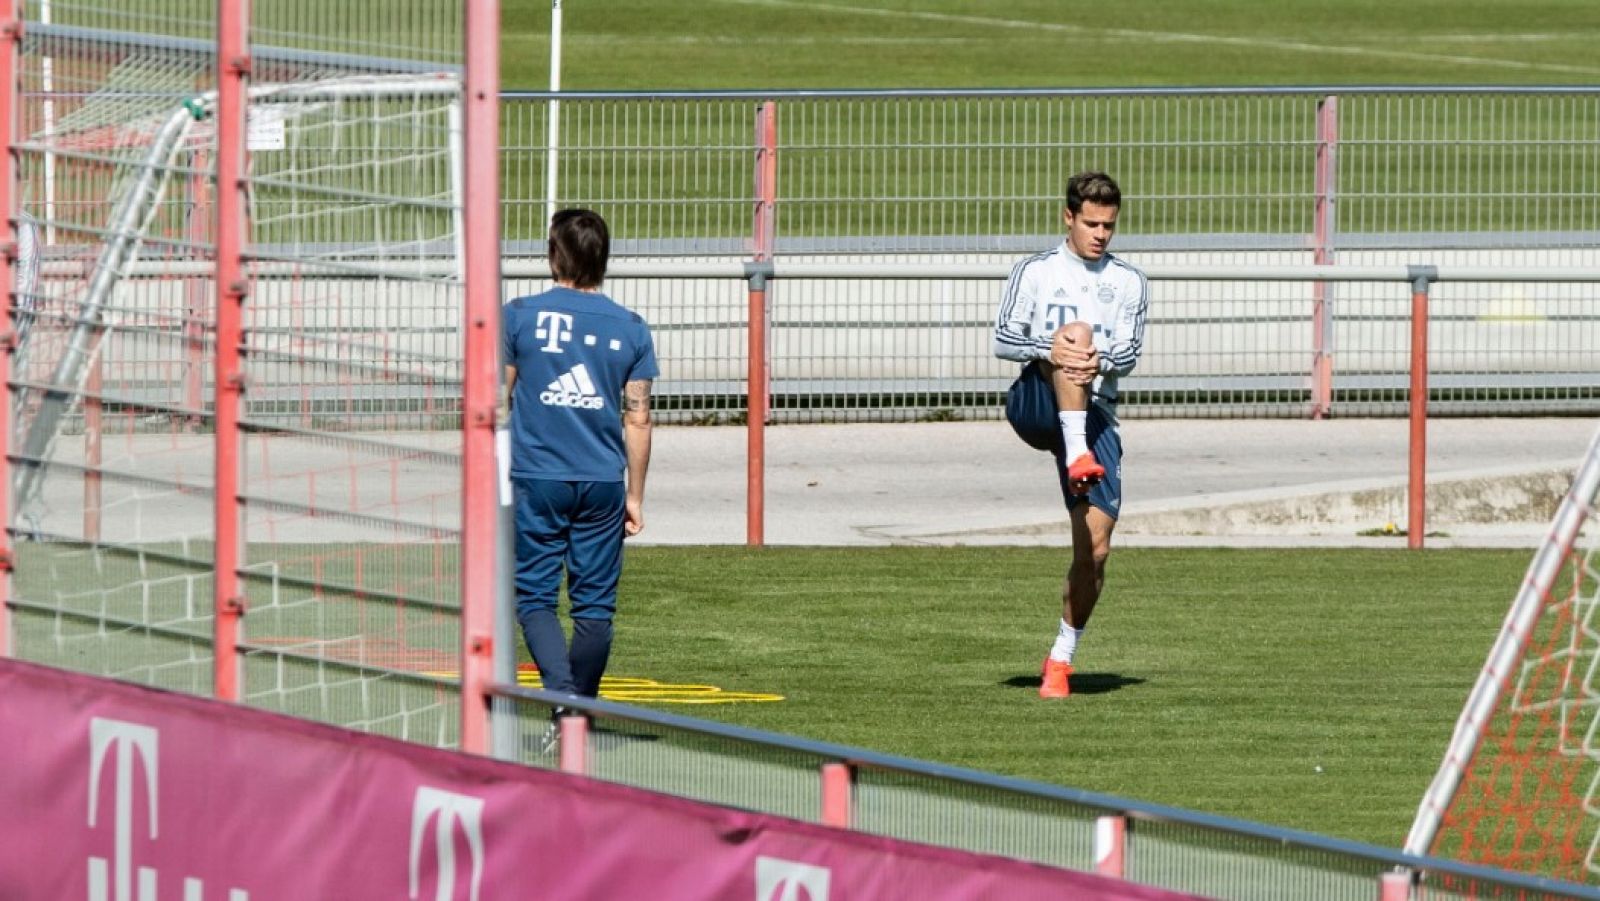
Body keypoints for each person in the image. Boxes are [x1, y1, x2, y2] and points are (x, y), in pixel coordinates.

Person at [992, 171, 1149, 700]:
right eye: (1091, 223)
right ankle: (1076, 450)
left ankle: (1061, 658)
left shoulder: (1129, 282)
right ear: (1068, 217)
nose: (1100, 234)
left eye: (1109, 225)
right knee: (1073, 336)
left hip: (1097, 409)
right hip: (1036, 400)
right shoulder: (1035, 271)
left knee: (1097, 550)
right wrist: (1052, 350)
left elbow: (1129, 355)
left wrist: (1098, 358)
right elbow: (1003, 338)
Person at [501, 208, 656, 710]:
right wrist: (634, 494)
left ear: (553, 256)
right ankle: (578, 714)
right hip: (602, 482)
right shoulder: (631, 328)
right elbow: (638, 418)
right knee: (594, 608)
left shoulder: (520, 315)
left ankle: (564, 700)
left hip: (537, 477)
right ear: (604, 260)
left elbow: (494, 400)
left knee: (535, 599)